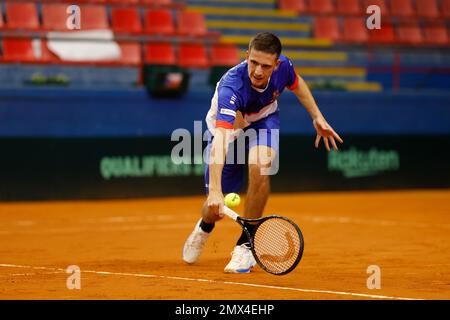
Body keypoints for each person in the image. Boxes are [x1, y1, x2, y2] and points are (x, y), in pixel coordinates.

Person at [182, 32, 343, 273]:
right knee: (213, 208)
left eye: (265, 66)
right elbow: (221, 142)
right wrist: (215, 191)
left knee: (259, 166)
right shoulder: (231, 87)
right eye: (253, 62)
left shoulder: (284, 68)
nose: (258, 70)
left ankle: (245, 247)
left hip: (263, 122)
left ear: (276, 64)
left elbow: (298, 85)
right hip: (227, 134)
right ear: (246, 56)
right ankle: (204, 227)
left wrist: (317, 116)